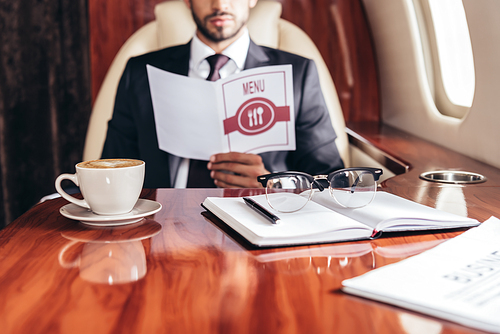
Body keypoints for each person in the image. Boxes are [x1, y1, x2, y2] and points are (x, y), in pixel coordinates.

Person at [101, 0, 344, 189]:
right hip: (163, 225)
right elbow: (110, 170)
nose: (219, 5)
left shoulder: (297, 74)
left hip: (262, 223)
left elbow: (332, 179)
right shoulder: (140, 73)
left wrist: (274, 185)